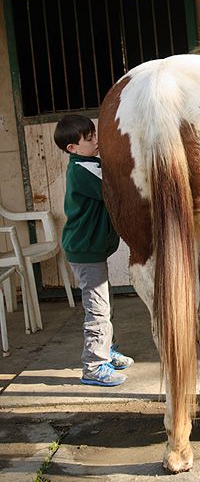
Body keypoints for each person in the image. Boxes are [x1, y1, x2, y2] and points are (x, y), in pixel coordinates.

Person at [54, 114, 133, 386]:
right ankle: (94, 365)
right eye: (89, 139)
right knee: (97, 309)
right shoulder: (81, 169)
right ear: (72, 149)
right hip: (85, 251)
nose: (96, 142)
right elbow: (113, 189)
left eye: (94, 135)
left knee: (104, 303)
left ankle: (106, 349)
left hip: (91, 250)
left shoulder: (90, 163)